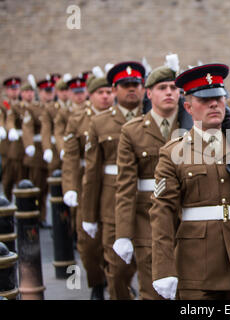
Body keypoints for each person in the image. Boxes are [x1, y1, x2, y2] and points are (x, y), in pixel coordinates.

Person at [150, 63, 230, 300]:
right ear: (189, 107)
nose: (214, 104)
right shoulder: (173, 152)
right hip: (197, 266)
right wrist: (163, 268)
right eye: (205, 99)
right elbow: (163, 212)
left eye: (219, 98)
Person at [114, 65, 186, 299]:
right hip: (147, 218)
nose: (169, 92)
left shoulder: (193, 127)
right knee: (153, 289)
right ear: (149, 93)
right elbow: (125, 186)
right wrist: (123, 233)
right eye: (162, 88)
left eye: (174, 88)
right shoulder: (132, 131)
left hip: (186, 219)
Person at [81, 61, 146, 299]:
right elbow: (92, 174)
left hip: (149, 203)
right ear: (115, 89)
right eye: (126, 85)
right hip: (112, 205)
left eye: (136, 84)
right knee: (118, 267)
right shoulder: (100, 123)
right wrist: (89, 215)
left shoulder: (153, 118)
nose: (132, 89)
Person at [62, 72, 113, 300]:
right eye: (100, 93)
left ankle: (116, 281)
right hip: (86, 185)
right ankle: (97, 282)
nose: (105, 96)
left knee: (114, 238)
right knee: (88, 241)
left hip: (113, 186)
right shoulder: (78, 119)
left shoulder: (121, 118)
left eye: (109, 92)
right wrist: (70, 187)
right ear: (90, 96)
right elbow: (71, 158)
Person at [22, 77, 55, 227]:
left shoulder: (57, 107)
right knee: (37, 185)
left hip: (53, 150)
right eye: (45, 92)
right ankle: (32, 215)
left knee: (51, 186)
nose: (48, 95)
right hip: (37, 152)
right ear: (40, 92)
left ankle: (44, 217)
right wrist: (29, 145)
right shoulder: (32, 108)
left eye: (50, 91)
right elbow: (27, 128)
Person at [4, 80, 34, 201]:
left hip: (33, 148)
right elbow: (9, 119)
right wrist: (10, 129)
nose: (29, 94)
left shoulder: (36, 107)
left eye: (31, 91)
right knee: (14, 179)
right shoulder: (15, 107)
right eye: (26, 91)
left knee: (32, 180)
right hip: (17, 147)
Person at [1, 77, 21, 193]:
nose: (14, 91)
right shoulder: (3, 105)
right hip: (6, 147)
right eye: (11, 89)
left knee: (21, 179)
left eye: (16, 88)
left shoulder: (21, 105)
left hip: (20, 148)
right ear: (7, 90)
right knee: (7, 180)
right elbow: (2, 118)